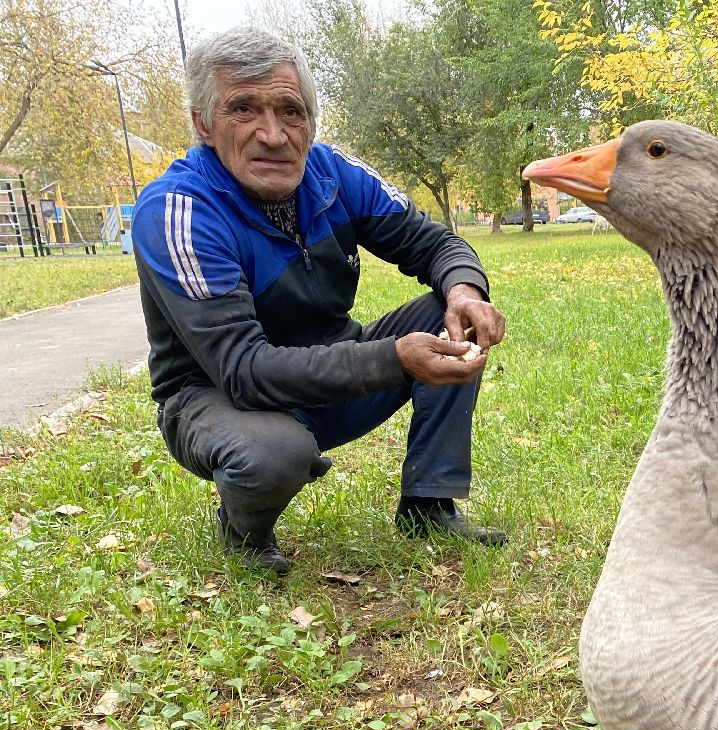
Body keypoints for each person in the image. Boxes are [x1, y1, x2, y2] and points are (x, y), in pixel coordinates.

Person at [132, 26, 507, 576]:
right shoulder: (179, 211)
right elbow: (243, 369)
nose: (274, 134)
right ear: (203, 125)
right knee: (272, 453)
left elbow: (436, 243)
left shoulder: (333, 174)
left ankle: (428, 503)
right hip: (217, 396)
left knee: (453, 320)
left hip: (330, 373)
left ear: (310, 119)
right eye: (243, 109)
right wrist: (393, 358)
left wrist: (465, 290)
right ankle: (245, 532)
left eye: (291, 111)